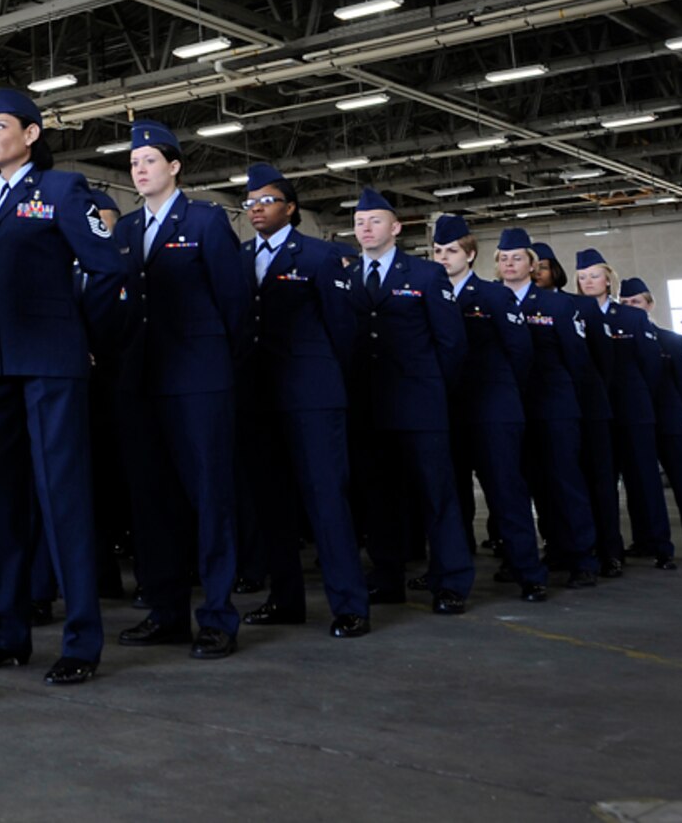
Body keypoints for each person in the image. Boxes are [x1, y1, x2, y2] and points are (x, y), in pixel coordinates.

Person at [0, 90, 126, 685]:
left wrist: (79, 334)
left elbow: (109, 266)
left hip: (50, 365)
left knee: (63, 499)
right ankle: (8, 631)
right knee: (2, 501)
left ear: (31, 134)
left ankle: (81, 639)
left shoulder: (60, 191)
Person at [115, 121, 249, 658]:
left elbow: (235, 306)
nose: (140, 168)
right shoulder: (125, 230)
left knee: (210, 497)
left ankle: (217, 616)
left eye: (150, 160)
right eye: (134, 162)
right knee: (154, 502)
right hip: (143, 382)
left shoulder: (207, 222)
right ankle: (167, 611)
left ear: (174, 167)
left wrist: (216, 366)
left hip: (198, 381)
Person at [235, 163, 371, 635]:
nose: (256, 209)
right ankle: (285, 598)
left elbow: (343, 330)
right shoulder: (239, 256)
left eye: (266, 201)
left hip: (311, 396)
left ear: (290, 208)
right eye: (249, 203)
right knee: (271, 503)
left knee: (325, 498)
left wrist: (329, 385)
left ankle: (349, 604)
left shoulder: (318, 256)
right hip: (259, 398)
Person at [346, 189, 471, 615]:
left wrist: (435, 392)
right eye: (360, 222)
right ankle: (386, 577)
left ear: (396, 228)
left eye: (375, 221)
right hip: (367, 407)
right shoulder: (344, 277)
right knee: (378, 498)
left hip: (420, 405)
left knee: (437, 495)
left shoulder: (424, 274)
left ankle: (450, 580)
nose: (366, 228)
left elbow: (451, 343)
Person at [429, 216, 550, 602]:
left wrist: (502, 396)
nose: (443, 258)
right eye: (437, 251)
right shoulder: (429, 292)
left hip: (493, 408)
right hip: (448, 410)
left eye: (451, 251)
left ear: (470, 254)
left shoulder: (495, 296)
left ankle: (528, 572)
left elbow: (520, 352)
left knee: (505, 491)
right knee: (453, 498)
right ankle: (452, 572)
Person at [494, 230, 599, 587]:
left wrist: (566, 401)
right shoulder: (490, 300)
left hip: (553, 406)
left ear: (532, 265)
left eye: (517, 259)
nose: (510, 265)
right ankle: (534, 553)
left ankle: (582, 557)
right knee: (520, 485)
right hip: (509, 409)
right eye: (503, 259)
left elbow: (578, 360)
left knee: (564, 482)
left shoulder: (557, 305)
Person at [571, 248, 676, 569]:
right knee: (601, 484)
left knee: (644, 480)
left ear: (608, 279)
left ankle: (659, 545)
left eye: (594, 276)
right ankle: (609, 550)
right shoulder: (574, 314)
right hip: (596, 413)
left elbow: (650, 367)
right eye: (583, 277)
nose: (589, 282)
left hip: (632, 411)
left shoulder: (631, 317)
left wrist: (635, 397)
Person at [540, 241, 621, 575]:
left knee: (599, 482)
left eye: (542, 266)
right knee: (552, 483)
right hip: (551, 411)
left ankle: (609, 551)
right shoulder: (517, 306)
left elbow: (603, 361)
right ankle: (559, 546)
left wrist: (591, 397)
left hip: (588, 408)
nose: (536, 272)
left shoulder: (580, 308)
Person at [616, 278, 682, 561]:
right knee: (639, 484)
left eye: (637, 303)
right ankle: (646, 540)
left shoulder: (671, 340)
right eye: (625, 304)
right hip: (636, 423)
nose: (631, 308)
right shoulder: (621, 343)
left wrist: (672, 412)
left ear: (650, 304)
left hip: (668, 422)